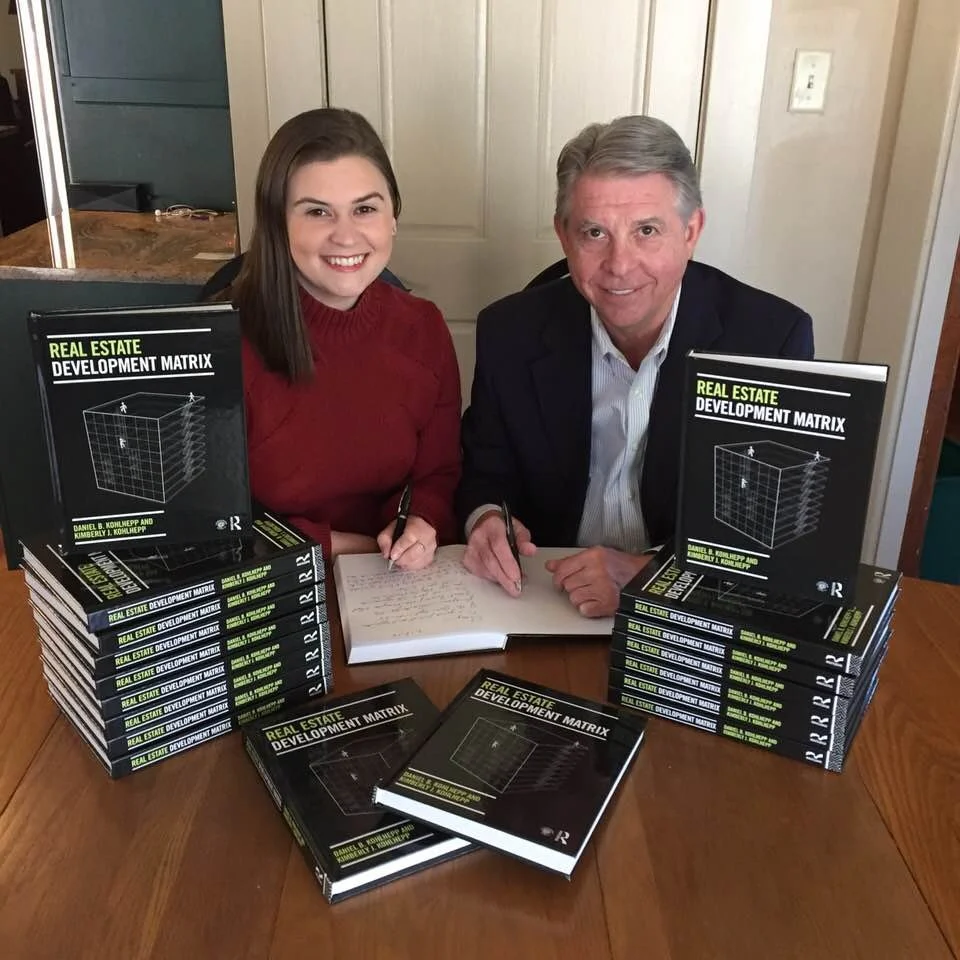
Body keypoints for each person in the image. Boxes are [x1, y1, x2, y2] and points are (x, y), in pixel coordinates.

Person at [457, 115, 814, 617]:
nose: (620, 264)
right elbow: (483, 469)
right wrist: (487, 519)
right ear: (564, 236)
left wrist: (648, 575)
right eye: (594, 233)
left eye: (647, 230)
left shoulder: (770, 341)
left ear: (691, 231)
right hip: (540, 598)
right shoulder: (509, 332)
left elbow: (769, 535)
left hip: (690, 613)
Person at [231, 108, 461, 567]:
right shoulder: (221, 343)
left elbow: (439, 474)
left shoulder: (423, 327)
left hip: (397, 585)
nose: (346, 235)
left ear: (392, 217)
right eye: (318, 212)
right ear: (278, 224)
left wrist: (421, 521)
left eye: (365, 208)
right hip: (266, 588)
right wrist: (352, 548)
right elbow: (211, 524)